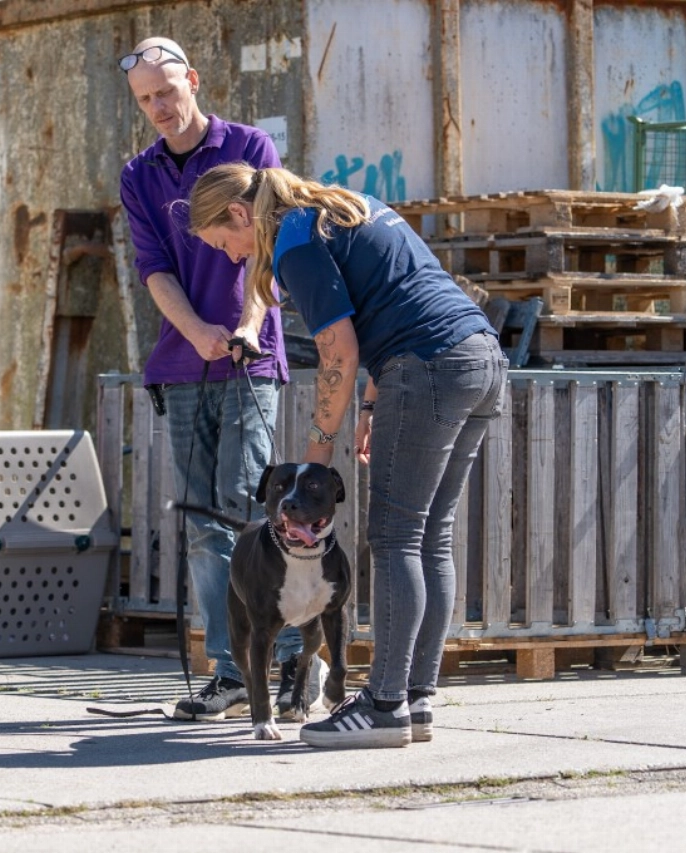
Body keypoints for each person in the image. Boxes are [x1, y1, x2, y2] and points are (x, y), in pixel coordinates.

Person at [190, 164, 508, 748]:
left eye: (224, 244)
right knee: (430, 535)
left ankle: (384, 704)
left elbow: (338, 346)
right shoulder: (345, 205)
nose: (233, 257)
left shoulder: (291, 236)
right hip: (481, 359)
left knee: (397, 538)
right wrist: (368, 406)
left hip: (429, 367)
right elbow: (394, 299)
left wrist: (314, 455)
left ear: (239, 215)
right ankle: (415, 697)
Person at [119, 37, 319, 721]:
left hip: (247, 359)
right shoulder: (138, 174)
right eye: (145, 100)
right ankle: (233, 672)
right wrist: (195, 331)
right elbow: (154, 270)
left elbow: (267, 249)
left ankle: (289, 663)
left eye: (166, 93)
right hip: (182, 364)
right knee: (205, 522)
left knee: (252, 510)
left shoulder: (250, 148)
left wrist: (243, 326)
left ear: (193, 81)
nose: (158, 109)